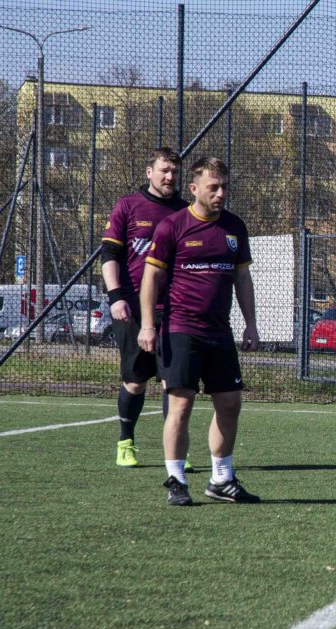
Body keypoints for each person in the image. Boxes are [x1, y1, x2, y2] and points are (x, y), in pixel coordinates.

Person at [138, 157, 261, 506]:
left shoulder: (235, 227)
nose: (221, 193)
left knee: (230, 403)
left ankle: (221, 479)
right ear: (194, 189)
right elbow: (151, 277)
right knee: (180, 405)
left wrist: (251, 324)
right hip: (180, 329)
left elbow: (242, 278)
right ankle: (176, 480)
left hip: (220, 332)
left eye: (225, 187)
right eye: (213, 187)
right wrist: (147, 325)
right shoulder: (172, 226)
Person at [101, 147, 188, 469]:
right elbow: (109, 255)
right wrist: (115, 297)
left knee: (173, 383)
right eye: (164, 170)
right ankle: (126, 442)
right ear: (149, 172)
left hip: (173, 310)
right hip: (133, 309)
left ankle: (175, 453)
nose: (170, 177)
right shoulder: (128, 206)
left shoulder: (185, 211)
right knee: (136, 381)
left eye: (174, 172)